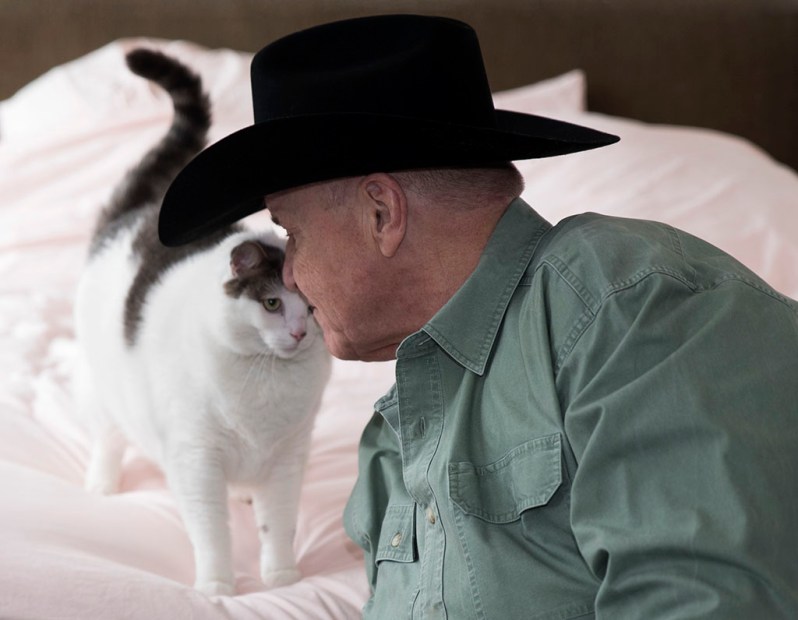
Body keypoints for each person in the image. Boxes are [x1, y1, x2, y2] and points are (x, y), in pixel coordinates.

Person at [160, 14, 798, 619]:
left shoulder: (631, 309)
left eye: (290, 232)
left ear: (381, 213)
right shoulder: (392, 437)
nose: (291, 272)